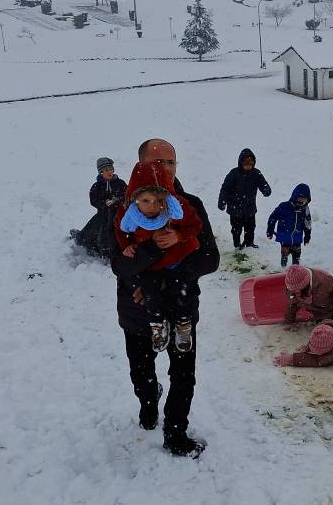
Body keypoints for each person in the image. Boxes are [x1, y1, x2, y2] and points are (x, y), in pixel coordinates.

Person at [110, 138, 219, 458]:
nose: (166, 169)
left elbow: (210, 260)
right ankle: (147, 401)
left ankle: (176, 434)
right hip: (137, 311)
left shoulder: (190, 206)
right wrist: (151, 250)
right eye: (159, 163)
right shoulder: (126, 210)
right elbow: (118, 263)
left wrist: (176, 257)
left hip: (181, 307)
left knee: (183, 376)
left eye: (171, 162)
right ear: (142, 166)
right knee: (141, 375)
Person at [115, 164, 202, 353]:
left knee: (182, 292)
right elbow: (121, 232)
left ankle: (183, 324)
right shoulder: (127, 212)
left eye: (159, 201)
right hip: (150, 264)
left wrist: (178, 236)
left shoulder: (177, 207)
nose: (153, 207)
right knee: (149, 295)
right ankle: (158, 324)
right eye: (146, 201)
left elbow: (195, 225)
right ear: (134, 198)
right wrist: (127, 246)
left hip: (176, 259)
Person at [71, 157, 126, 258]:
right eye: (106, 170)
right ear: (101, 172)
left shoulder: (120, 183)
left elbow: (126, 196)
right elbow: (94, 201)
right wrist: (105, 204)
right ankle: (101, 250)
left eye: (111, 169)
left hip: (118, 215)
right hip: (103, 216)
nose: (110, 172)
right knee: (93, 234)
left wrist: (117, 200)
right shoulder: (96, 186)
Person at [217, 148, 272, 250]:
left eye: (251, 163)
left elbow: (263, 184)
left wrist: (266, 189)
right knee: (236, 229)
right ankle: (237, 245)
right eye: (246, 163)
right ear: (241, 162)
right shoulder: (234, 173)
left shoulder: (256, 173)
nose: (248, 165)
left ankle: (249, 244)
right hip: (235, 209)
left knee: (250, 228)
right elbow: (225, 188)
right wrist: (222, 201)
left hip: (249, 208)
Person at [283, 264, 333, 328]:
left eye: (298, 289)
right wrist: (289, 322)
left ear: (306, 283)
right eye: (293, 290)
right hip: (322, 315)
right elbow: (292, 305)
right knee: (329, 330)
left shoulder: (322, 281)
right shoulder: (291, 289)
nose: (295, 292)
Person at [267, 183, 312, 268]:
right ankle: (283, 270)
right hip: (285, 238)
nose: (301, 202)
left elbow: (307, 223)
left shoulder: (305, 210)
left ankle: (295, 272)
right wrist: (270, 230)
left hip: (297, 238)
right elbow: (273, 217)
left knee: (296, 257)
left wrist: (307, 235)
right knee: (284, 255)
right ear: (294, 196)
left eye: (304, 200)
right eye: (300, 199)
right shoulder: (284, 207)